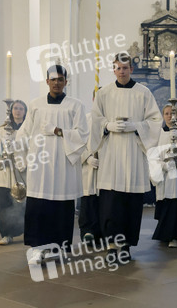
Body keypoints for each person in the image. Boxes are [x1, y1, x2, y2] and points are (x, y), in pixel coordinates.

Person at [88, 52, 162, 261]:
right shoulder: (103, 93)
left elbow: (155, 121)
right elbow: (94, 119)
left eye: (125, 67)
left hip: (133, 154)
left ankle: (126, 246)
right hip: (111, 154)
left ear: (131, 69)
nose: (122, 71)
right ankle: (112, 246)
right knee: (111, 204)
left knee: (130, 204)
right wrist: (106, 125)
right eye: (118, 68)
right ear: (113, 69)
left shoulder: (143, 92)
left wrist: (136, 126)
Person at [16, 64, 89, 263]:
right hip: (40, 163)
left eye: (60, 79)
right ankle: (37, 248)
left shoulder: (75, 106)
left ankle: (59, 248)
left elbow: (83, 134)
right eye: (53, 79)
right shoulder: (36, 104)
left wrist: (57, 130)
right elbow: (25, 132)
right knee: (38, 205)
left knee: (62, 206)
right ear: (47, 81)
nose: (57, 83)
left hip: (64, 162)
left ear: (66, 81)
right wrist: (18, 152)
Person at [147, 104, 177, 248]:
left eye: (172, 113)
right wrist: (164, 166)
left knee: (176, 207)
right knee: (165, 206)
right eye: (166, 113)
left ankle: (174, 237)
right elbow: (152, 155)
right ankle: (164, 235)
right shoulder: (157, 133)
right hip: (164, 176)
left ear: (176, 115)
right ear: (163, 115)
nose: (169, 116)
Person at [0, 100, 27, 245]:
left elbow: (32, 147)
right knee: (5, 203)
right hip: (5, 171)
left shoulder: (28, 128)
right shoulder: (3, 129)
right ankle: (6, 234)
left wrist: (19, 154)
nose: (17, 111)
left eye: (20, 108)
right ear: (11, 111)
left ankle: (27, 231)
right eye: (15, 108)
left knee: (22, 203)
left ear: (25, 112)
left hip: (22, 170)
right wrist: (2, 155)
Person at [78, 90, 102, 245]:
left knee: (103, 202)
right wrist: (87, 157)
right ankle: (87, 231)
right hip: (88, 166)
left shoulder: (109, 120)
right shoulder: (84, 120)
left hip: (104, 168)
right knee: (88, 200)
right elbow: (77, 142)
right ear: (93, 98)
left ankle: (101, 233)